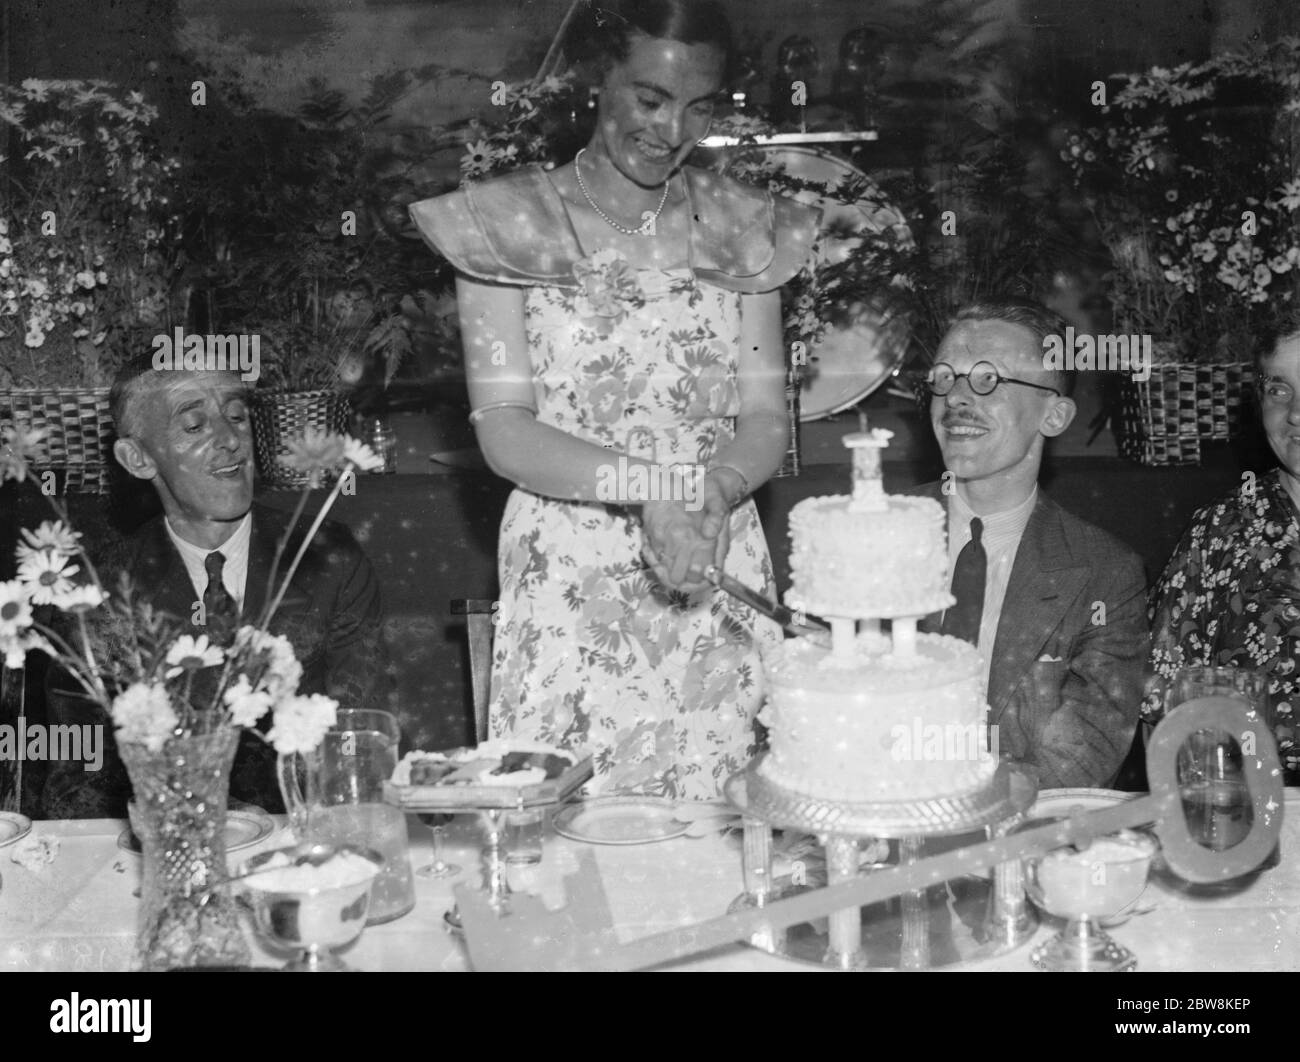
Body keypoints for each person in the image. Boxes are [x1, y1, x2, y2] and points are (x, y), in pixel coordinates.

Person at [408, 0, 821, 800]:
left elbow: (766, 419)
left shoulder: (746, 228)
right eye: (651, 99)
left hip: (711, 555)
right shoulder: (503, 224)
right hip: (571, 569)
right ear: (597, 77)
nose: (673, 131)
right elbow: (504, 430)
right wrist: (654, 487)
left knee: (725, 823)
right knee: (576, 833)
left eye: (700, 107)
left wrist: (712, 490)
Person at [42, 361, 388, 816]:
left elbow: (359, 741)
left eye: (237, 416)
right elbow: (79, 783)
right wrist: (203, 817)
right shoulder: (96, 591)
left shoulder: (327, 558)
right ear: (138, 458)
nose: (229, 439)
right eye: (194, 425)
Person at [911, 296, 1149, 789]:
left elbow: (1085, 752)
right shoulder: (868, 533)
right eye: (944, 377)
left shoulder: (1105, 573)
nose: (955, 398)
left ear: (1054, 416)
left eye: (988, 379)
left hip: (1022, 825)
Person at [1148, 310, 1300, 783]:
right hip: (1258, 804)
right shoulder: (1222, 531)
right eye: (1279, 390)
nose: (1295, 413)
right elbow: (1162, 704)